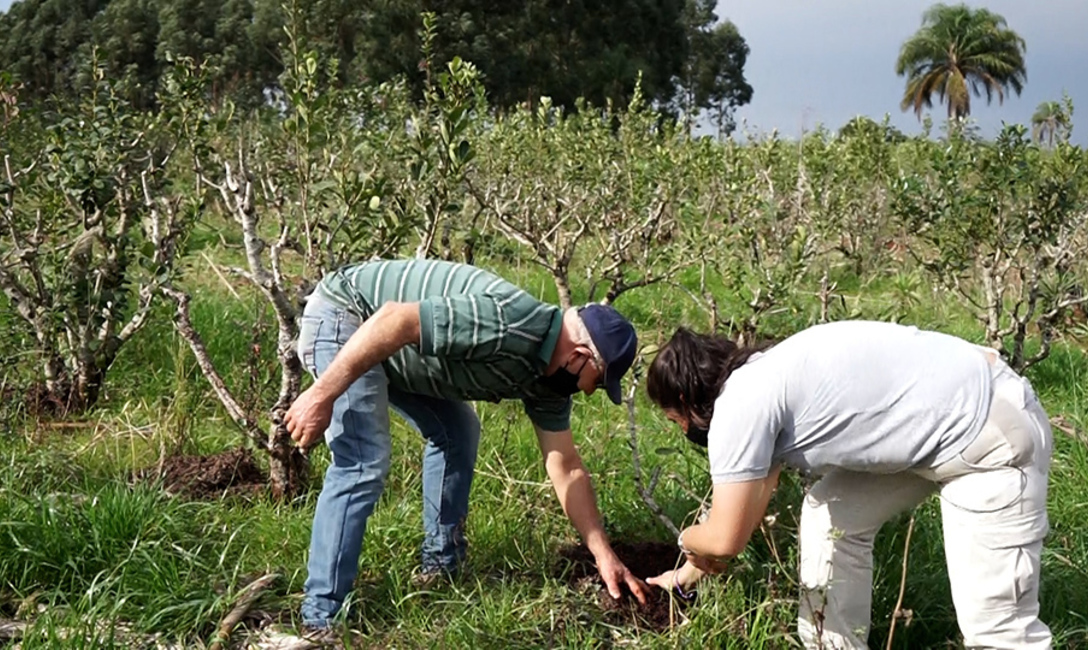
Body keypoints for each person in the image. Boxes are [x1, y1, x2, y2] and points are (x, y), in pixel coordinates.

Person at [283, 258, 648, 633]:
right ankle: (321, 618)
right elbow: (394, 320)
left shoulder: (548, 382)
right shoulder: (510, 323)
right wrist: (321, 394)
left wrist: (603, 554)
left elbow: (566, 466)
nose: (589, 391)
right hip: (348, 316)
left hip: (394, 347)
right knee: (363, 461)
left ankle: (441, 567)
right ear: (580, 357)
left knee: (458, 430)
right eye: (597, 381)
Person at [643, 321, 1053, 649]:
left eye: (671, 419)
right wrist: (682, 579)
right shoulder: (762, 378)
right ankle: (830, 643)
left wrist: (686, 538)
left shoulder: (739, 406)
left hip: (990, 436)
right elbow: (741, 519)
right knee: (829, 512)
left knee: (998, 631)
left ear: (684, 397)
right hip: (955, 415)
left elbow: (725, 539)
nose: (680, 429)